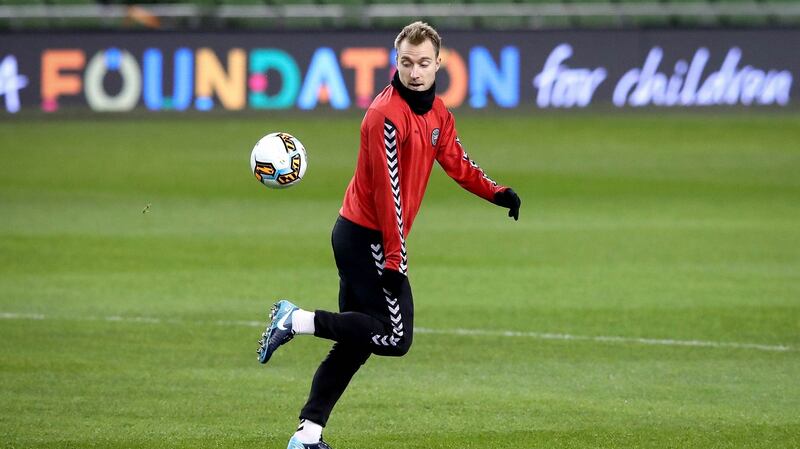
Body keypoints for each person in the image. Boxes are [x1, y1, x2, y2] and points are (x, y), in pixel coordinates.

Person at [256, 21, 522, 449]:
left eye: (423, 63)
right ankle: (296, 319)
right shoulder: (383, 117)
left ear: (439, 63)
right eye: (406, 62)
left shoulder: (438, 114)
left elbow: (456, 160)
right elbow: (389, 194)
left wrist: (497, 193)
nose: (415, 72)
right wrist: (396, 261)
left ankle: (306, 435)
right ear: (395, 62)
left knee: (354, 342)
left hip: (365, 235)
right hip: (367, 237)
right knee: (395, 338)